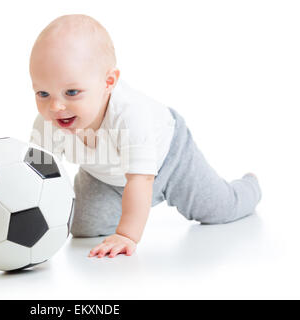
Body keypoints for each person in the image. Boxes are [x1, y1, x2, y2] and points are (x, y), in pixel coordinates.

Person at [29, 14, 262, 258]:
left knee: (219, 208)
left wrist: (126, 235)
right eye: (43, 93)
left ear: (108, 82)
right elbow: (37, 174)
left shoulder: (130, 115)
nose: (55, 107)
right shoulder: (48, 125)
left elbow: (141, 180)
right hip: (104, 177)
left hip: (169, 160)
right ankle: (119, 208)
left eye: (72, 92)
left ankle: (250, 187)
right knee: (82, 227)